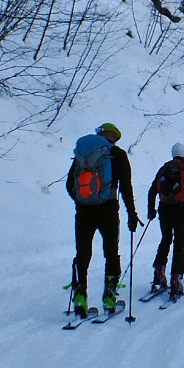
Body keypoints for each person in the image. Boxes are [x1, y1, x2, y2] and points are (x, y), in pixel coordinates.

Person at [65, 122, 141, 317]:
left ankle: (80, 296)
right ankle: (109, 296)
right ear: (113, 137)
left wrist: (82, 201)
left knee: (82, 253)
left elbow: (69, 184)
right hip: (108, 209)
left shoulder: (84, 155)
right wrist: (132, 214)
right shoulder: (118, 155)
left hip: (84, 210)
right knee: (111, 251)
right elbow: (126, 187)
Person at [147, 142, 184, 298]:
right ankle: (176, 279)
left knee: (166, 239)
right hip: (181, 210)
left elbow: (152, 190)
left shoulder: (164, 168)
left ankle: (159, 272)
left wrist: (151, 211)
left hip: (164, 209)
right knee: (179, 243)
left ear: (173, 153)